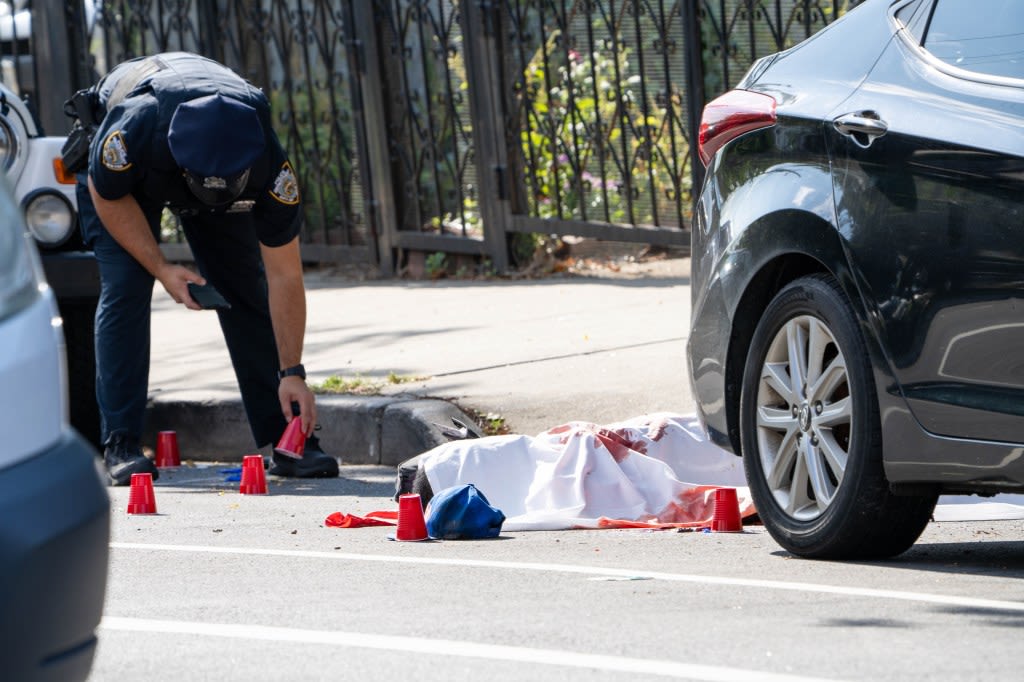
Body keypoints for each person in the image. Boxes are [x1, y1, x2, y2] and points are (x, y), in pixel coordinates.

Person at [71, 52, 339, 485]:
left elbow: (285, 275)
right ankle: (120, 442)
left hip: (211, 160)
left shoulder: (267, 163)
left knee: (243, 288)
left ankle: (287, 440)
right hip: (129, 182)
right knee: (126, 286)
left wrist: (293, 373)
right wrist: (161, 268)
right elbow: (108, 195)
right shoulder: (135, 128)